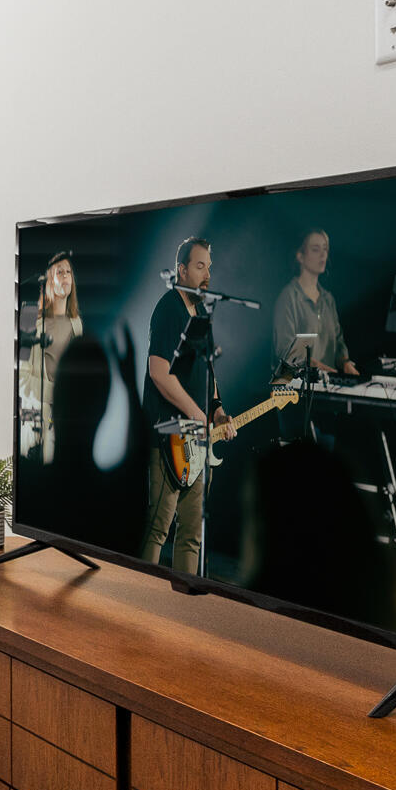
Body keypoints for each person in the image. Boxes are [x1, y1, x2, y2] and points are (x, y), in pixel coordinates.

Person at [143, 238, 228, 575]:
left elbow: (208, 371)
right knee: (157, 528)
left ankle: (181, 601)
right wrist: (197, 413)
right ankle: (138, 601)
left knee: (192, 535)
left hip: (198, 439)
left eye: (209, 267)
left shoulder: (202, 312)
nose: (207, 274)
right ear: (181, 270)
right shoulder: (168, 308)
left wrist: (217, 409)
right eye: (200, 266)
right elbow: (158, 372)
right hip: (168, 436)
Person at [271, 228, 362, 380]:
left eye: (325, 249)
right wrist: (318, 368)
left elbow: (338, 342)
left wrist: (345, 363)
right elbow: (285, 352)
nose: (323, 255)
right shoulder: (288, 298)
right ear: (300, 256)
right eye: (315, 249)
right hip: (297, 389)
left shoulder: (328, 299)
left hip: (328, 386)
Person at [19, 253, 83, 462]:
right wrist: (56, 394)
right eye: (59, 271)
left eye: (68, 272)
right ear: (47, 279)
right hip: (35, 421)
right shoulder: (29, 317)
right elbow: (21, 379)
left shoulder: (76, 324)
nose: (65, 276)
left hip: (65, 422)